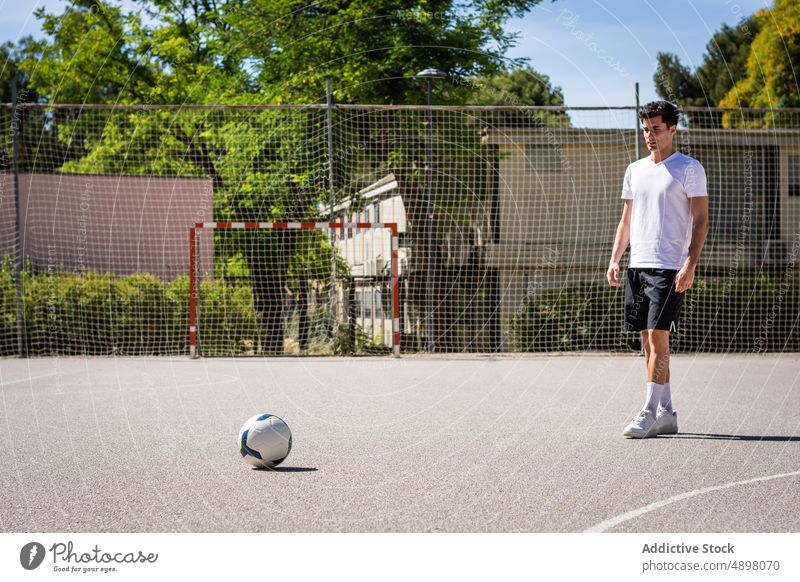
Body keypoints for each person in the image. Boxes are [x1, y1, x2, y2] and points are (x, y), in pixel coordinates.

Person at [607, 100, 709, 438]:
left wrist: (690, 264)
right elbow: (626, 220)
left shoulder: (689, 168)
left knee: (657, 337)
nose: (650, 135)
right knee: (647, 343)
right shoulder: (634, 169)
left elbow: (701, 220)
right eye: (646, 130)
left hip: (669, 267)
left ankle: (648, 412)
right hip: (639, 266)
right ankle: (667, 412)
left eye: (656, 129)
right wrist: (615, 258)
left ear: (672, 129)